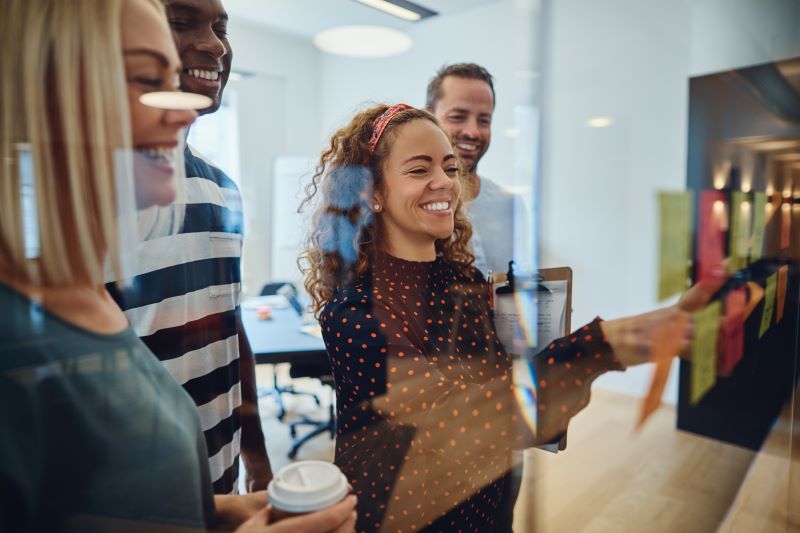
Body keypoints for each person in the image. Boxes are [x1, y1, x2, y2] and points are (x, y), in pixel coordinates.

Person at [0, 0, 359, 531]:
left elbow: (227, 328)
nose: (184, 110)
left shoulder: (213, 197)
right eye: (150, 76)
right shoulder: (27, 323)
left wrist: (226, 497)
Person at [300, 103, 721, 532]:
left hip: (485, 509)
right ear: (372, 192)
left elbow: (514, 402)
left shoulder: (467, 283)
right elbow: (456, 427)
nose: (444, 182)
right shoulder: (353, 314)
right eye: (418, 170)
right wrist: (604, 344)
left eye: (449, 167)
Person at [105, 0, 271, 495]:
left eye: (221, 27)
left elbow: (229, 325)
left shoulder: (222, 190)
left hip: (220, 485)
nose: (215, 45)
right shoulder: (83, 202)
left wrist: (256, 451)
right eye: (182, 22)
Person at [426, 63, 519, 275]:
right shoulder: (412, 203)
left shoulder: (511, 207)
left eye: (484, 120)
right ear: (428, 118)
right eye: (458, 117)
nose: (473, 132)